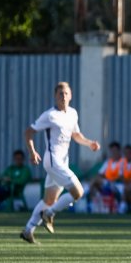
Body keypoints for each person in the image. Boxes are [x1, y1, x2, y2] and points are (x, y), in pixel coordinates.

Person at [20, 81, 101, 244]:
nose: (63, 96)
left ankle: (28, 230)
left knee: (49, 200)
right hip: (52, 161)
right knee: (78, 192)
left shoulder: (72, 113)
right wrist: (32, 152)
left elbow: (76, 135)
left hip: (62, 162)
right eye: (60, 94)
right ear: (55, 96)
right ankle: (49, 214)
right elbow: (28, 132)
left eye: (66, 93)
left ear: (70, 96)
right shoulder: (50, 115)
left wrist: (89, 143)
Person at [88, 142, 123, 213]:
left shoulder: (123, 162)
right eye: (112, 151)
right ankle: (91, 204)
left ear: (119, 151)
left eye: (115, 151)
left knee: (95, 181)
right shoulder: (108, 162)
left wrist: (109, 179)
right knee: (95, 182)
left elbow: (121, 177)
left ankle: (121, 208)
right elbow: (99, 174)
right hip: (108, 183)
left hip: (119, 185)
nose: (113, 153)